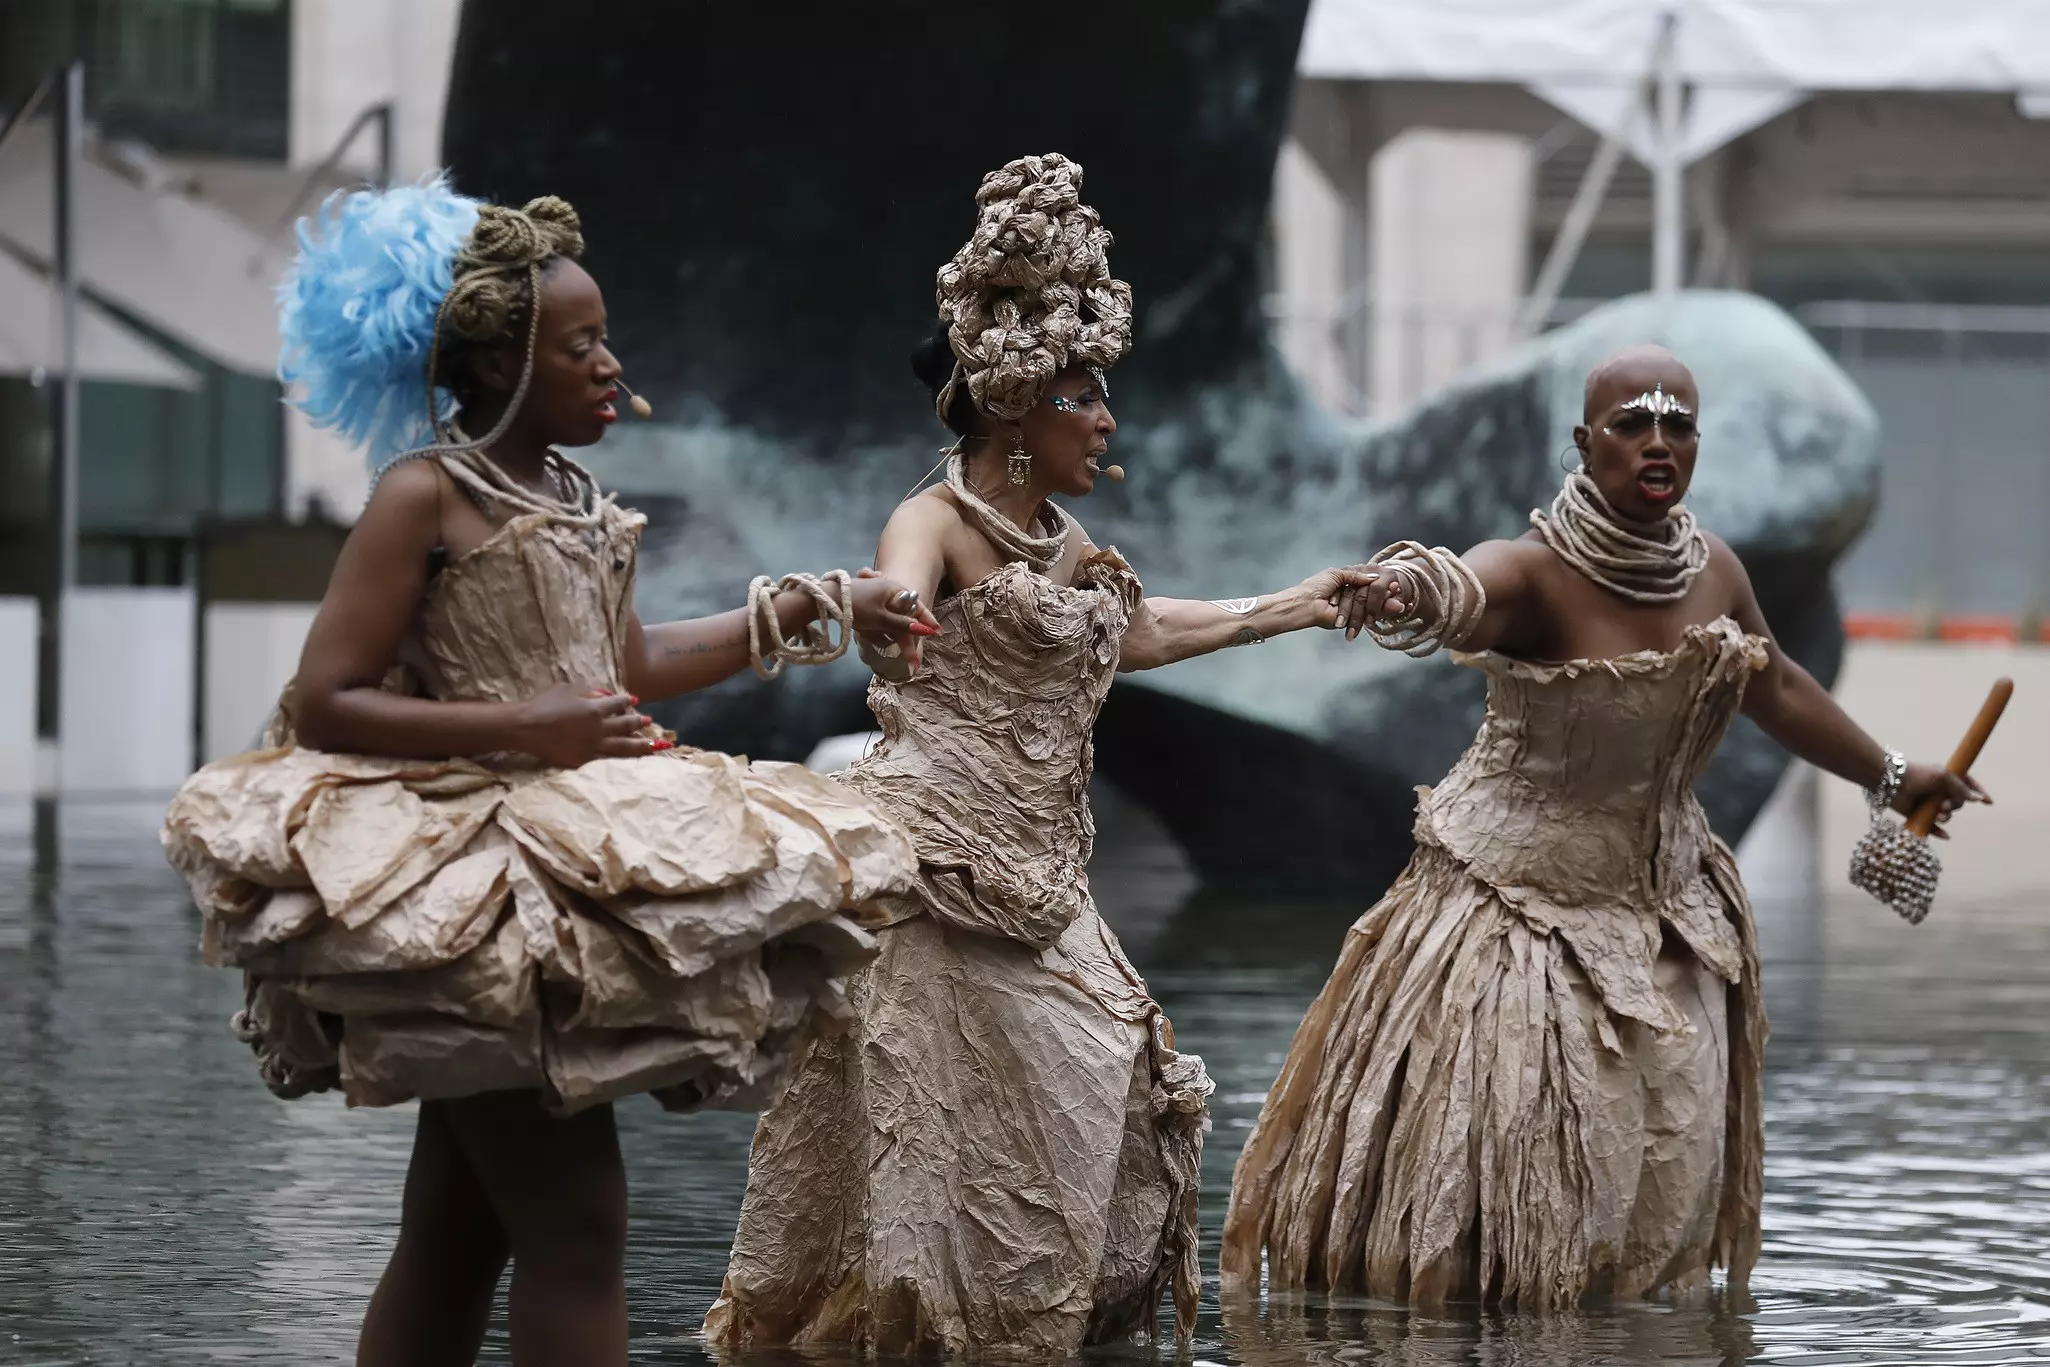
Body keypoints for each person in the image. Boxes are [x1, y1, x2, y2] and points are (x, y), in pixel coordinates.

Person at [160, 178, 937, 1366]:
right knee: (578, 1223)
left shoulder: (577, 499)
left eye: (605, 338)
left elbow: (625, 662)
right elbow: (324, 699)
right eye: (579, 345)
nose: (611, 365)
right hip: (472, 888)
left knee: (458, 1230)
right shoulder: (425, 490)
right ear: (494, 367)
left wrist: (825, 598)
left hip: (560, 864)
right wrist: (527, 724)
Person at [702, 152, 1374, 1358]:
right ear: (1016, 407)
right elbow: (896, 588)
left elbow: (1145, 629)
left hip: (1045, 887)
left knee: (1117, 1102)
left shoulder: (1069, 539)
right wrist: (891, 612)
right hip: (933, 878)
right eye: (1086, 396)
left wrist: (1301, 604)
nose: (1107, 419)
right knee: (943, 1162)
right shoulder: (937, 518)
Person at [1220, 344, 1988, 1309]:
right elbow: (1463, 585)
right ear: (1587, 443)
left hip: (1669, 922)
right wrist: (1404, 587)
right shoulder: (1537, 573)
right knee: (1501, 1188)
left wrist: (1892, 772)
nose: (1657, 441)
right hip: (1510, 917)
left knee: (1653, 1193)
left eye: (1679, 424)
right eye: (1632, 423)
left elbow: (1780, 684)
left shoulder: (1716, 573)